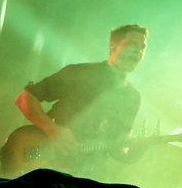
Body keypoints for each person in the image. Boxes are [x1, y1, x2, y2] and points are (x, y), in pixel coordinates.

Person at [8, 24, 149, 178]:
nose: (138, 50)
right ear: (113, 46)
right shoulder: (79, 73)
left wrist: (136, 151)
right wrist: (53, 130)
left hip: (94, 176)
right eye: (133, 44)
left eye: (143, 47)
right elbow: (24, 99)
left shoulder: (132, 97)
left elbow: (117, 148)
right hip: (53, 171)